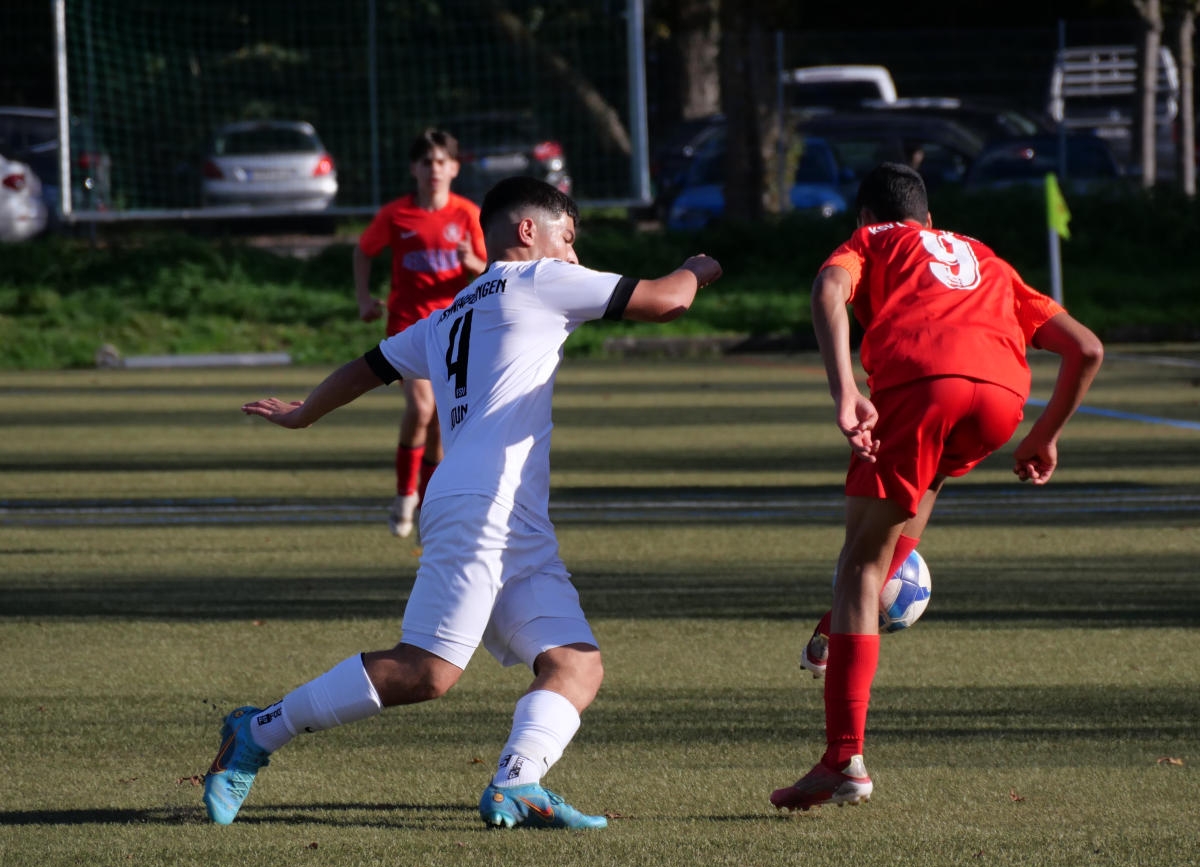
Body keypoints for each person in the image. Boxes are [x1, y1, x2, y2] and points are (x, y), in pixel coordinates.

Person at [205, 176, 723, 830]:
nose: (574, 253)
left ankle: (516, 783)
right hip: (482, 503)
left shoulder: (452, 312)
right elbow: (668, 301)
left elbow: (370, 366)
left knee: (574, 664)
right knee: (427, 672)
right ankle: (258, 730)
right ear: (528, 232)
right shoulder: (541, 278)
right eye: (568, 237)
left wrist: (307, 411)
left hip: (510, 514)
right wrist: (700, 266)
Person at [770, 162, 1103, 812]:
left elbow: (829, 288)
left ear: (866, 217)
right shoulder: (984, 257)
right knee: (923, 486)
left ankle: (843, 759)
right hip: (1001, 400)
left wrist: (845, 391)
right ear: (929, 219)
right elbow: (1086, 348)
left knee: (858, 567)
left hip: (922, 382)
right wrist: (1044, 436)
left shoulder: (870, 240)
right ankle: (835, 628)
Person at [353, 128, 488, 539]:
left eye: (442, 161)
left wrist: (473, 264)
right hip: (407, 326)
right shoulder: (396, 214)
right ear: (414, 168)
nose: (434, 169)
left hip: (453, 330)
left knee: (440, 424)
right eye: (426, 162)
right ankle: (403, 495)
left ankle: (428, 505)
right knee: (422, 408)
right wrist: (364, 299)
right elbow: (363, 251)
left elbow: (488, 270)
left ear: (455, 168)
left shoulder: (467, 214)